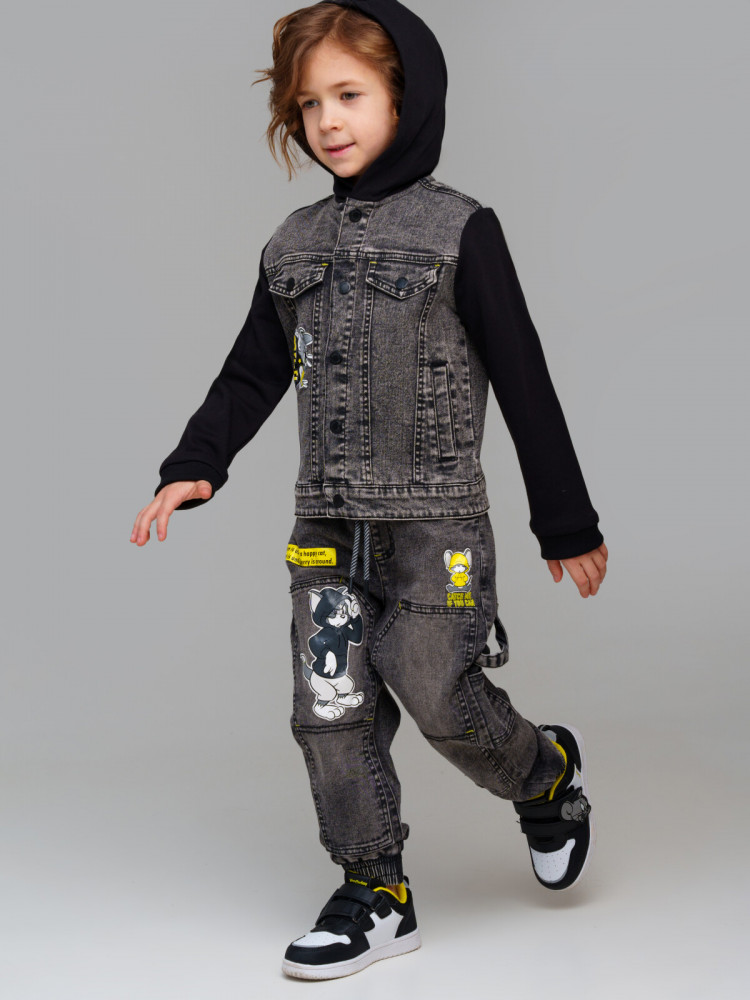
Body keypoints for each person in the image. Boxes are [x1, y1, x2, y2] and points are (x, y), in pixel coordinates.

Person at [130, 0, 608, 982]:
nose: (328, 121)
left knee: (442, 697)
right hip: (327, 529)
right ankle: (376, 890)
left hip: (437, 526)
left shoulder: (461, 231)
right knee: (329, 707)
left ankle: (544, 772)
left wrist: (566, 520)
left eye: (349, 95)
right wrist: (194, 463)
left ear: (406, 96)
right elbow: (251, 371)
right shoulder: (292, 243)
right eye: (310, 104)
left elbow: (524, 376)